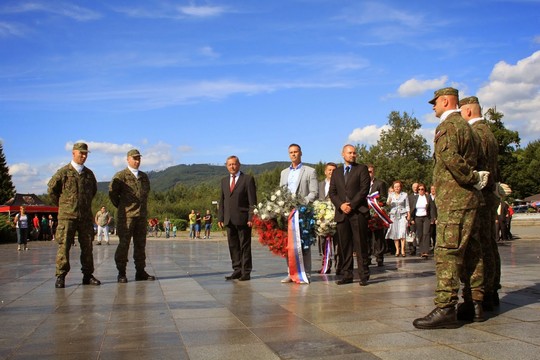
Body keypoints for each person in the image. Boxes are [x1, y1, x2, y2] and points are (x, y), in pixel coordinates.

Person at [413, 87, 486, 329]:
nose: (433, 107)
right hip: (469, 200)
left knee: (447, 252)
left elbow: (451, 159)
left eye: (435, 103)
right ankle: (474, 303)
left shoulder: (448, 126)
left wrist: (471, 177)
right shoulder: (469, 128)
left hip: (455, 199)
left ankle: (446, 308)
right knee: (472, 251)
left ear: (445, 101)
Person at [460, 95, 504, 313]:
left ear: (467, 112)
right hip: (490, 196)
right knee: (490, 243)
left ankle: (483, 292)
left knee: (480, 245)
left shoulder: (476, 133)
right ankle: (492, 288)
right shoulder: (490, 133)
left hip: (480, 197)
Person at [48, 142, 101, 288]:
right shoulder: (63, 172)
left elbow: (93, 192)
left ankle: (88, 275)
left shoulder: (89, 174)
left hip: (84, 216)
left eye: (85, 154)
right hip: (67, 216)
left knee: (87, 247)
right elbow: (52, 190)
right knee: (64, 246)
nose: (83, 156)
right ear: (73, 153)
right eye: (81, 153)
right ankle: (61, 275)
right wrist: (64, 206)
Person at [109, 149, 156, 283]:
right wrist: (123, 207)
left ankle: (140, 271)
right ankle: (121, 272)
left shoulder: (144, 177)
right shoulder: (121, 176)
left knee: (140, 245)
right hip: (127, 217)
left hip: (141, 216)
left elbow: (145, 194)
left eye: (139, 159)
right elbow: (113, 195)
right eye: (134, 158)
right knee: (124, 244)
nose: (137, 161)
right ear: (128, 159)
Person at [329, 144, 371, 286]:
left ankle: (363, 275)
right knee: (344, 246)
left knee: (360, 244)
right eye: (349, 153)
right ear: (343, 154)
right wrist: (341, 205)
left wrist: (351, 205)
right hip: (342, 213)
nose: (352, 155)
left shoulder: (362, 169)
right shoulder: (337, 172)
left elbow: (364, 190)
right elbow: (332, 192)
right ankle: (347, 274)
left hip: (358, 212)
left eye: (354, 153)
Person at [280, 143, 318, 284]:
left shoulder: (310, 171)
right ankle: (291, 273)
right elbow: (281, 192)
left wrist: (303, 202)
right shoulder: (284, 173)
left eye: (296, 152)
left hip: (302, 213)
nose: (294, 154)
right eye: (291, 152)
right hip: (287, 213)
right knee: (289, 243)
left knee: (304, 243)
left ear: (301, 153)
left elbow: (314, 192)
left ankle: (305, 273)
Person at [218, 155, 257, 281]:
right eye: (229, 164)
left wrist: (251, 217)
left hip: (243, 218)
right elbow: (222, 200)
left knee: (244, 246)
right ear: (226, 166)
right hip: (229, 219)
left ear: (239, 165)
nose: (232, 167)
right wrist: (220, 217)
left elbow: (253, 201)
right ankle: (237, 269)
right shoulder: (224, 181)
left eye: (234, 164)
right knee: (233, 245)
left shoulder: (247, 179)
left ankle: (246, 271)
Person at [317, 162, 339, 274]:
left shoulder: (340, 184)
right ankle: (326, 265)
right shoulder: (320, 185)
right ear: (325, 171)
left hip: (336, 217)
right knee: (323, 242)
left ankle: (339, 266)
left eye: (334, 170)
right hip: (323, 219)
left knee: (337, 243)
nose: (331, 172)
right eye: (329, 170)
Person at [367, 164, 388, 266]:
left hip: (376, 213)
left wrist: (377, 205)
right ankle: (367, 257)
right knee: (366, 237)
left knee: (378, 236)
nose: (368, 174)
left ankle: (379, 257)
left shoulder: (380, 184)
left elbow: (384, 199)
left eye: (370, 172)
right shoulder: (361, 184)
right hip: (365, 213)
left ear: (373, 172)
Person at [409, 183, 436, 258]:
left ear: (424, 190)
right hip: (418, 218)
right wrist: (411, 219)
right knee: (420, 235)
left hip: (426, 218)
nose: (420, 191)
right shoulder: (415, 198)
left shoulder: (428, 197)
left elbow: (432, 208)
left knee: (426, 233)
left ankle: (426, 251)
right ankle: (422, 251)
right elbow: (412, 209)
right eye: (419, 189)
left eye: (422, 189)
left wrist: (433, 218)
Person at [386, 181, 410, 257]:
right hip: (393, 215)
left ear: (400, 187)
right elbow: (387, 204)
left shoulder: (405, 194)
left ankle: (403, 249)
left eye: (398, 186)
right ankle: (397, 250)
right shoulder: (391, 195)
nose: (397, 188)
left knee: (402, 231)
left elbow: (407, 205)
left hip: (402, 214)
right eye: (395, 187)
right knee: (395, 232)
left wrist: (408, 214)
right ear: (393, 188)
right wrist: (389, 200)